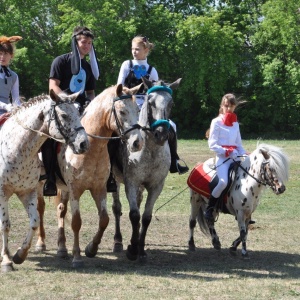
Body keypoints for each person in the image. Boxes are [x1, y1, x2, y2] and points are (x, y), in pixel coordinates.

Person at [106, 35, 188, 193]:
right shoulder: (126, 64)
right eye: (132, 49)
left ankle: (174, 161)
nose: (134, 52)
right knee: (113, 131)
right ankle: (110, 168)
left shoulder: (152, 70)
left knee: (171, 125)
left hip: (147, 106)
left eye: (137, 49)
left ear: (146, 50)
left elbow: (156, 91)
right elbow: (119, 85)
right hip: (129, 104)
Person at [42, 26, 100, 196]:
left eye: (89, 43)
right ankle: (50, 180)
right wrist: (67, 101)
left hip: (82, 109)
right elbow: (53, 86)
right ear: (76, 42)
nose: (87, 46)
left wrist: (92, 104)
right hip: (62, 107)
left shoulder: (88, 67)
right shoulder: (61, 61)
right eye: (84, 42)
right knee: (49, 139)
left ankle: (108, 176)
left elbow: (90, 92)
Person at [204, 93, 247, 221]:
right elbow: (212, 144)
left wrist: (244, 154)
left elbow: (239, 144)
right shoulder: (216, 122)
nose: (229, 109)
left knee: (246, 179)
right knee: (223, 182)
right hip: (222, 158)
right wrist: (227, 151)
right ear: (222, 106)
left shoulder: (235, 124)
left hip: (235, 157)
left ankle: (244, 209)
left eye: (231, 106)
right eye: (226, 106)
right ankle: (210, 207)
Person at [0, 35, 22, 116]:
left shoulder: (14, 76)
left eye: (5, 54)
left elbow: (16, 99)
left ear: (11, 55)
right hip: (6, 108)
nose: (2, 57)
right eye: (0, 53)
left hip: (7, 112)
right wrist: (6, 106)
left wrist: (20, 109)